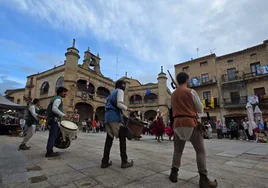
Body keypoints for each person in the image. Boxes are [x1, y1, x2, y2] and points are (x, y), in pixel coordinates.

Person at [169, 72, 217, 187]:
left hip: (177, 124)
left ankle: (174, 174)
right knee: (200, 150)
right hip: (190, 122)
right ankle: (203, 179)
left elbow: (170, 108)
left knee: (177, 151)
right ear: (186, 80)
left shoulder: (173, 95)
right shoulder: (191, 91)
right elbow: (200, 108)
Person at [101, 80, 135, 169]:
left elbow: (111, 105)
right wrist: (128, 109)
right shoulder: (120, 91)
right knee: (122, 137)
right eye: (125, 85)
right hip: (114, 118)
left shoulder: (111, 94)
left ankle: (104, 162)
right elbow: (119, 103)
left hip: (108, 117)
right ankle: (124, 162)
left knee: (109, 140)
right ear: (122, 85)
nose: (125, 86)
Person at [45, 87, 68, 157]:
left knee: (53, 135)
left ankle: (49, 149)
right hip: (54, 119)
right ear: (60, 92)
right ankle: (49, 152)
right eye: (64, 92)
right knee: (53, 135)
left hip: (52, 119)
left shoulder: (55, 98)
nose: (66, 94)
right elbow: (54, 109)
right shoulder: (58, 98)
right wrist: (63, 115)